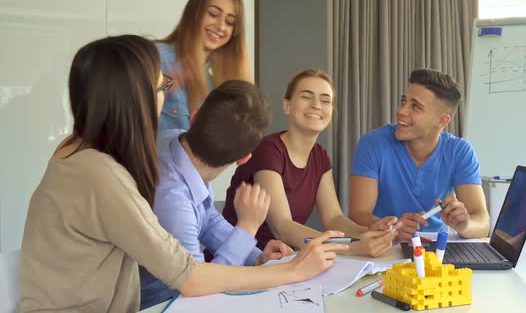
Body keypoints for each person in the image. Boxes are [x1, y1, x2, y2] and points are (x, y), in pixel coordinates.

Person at [18, 35, 348, 313]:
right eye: (162, 85)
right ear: (136, 102)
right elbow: (190, 280)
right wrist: (291, 270)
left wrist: (257, 255)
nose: (166, 95)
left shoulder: (80, 148)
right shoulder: (104, 177)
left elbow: (203, 218)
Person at [140, 80, 295, 309]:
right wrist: (247, 228)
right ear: (244, 159)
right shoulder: (174, 202)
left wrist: (256, 256)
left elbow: (207, 220)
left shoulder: (171, 138)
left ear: (194, 118)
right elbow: (200, 289)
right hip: (158, 305)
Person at [222, 69, 399, 258]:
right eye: (307, 97)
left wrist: (367, 232)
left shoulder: (320, 156)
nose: (316, 105)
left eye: (325, 100)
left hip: (280, 261)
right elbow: (282, 226)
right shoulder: (268, 149)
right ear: (287, 105)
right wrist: (351, 248)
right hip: (239, 261)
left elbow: (334, 219)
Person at [348, 68, 490, 240]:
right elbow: (358, 214)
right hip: (383, 246)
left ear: (442, 121)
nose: (401, 111)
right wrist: (392, 229)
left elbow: (482, 223)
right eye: (403, 101)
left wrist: (465, 225)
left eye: (415, 106)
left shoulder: (460, 152)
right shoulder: (372, 144)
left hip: (435, 251)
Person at [157, 0, 250, 130]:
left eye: (230, 22)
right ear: (194, 12)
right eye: (213, 14)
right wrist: (159, 88)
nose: (220, 27)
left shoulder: (217, 86)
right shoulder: (155, 56)